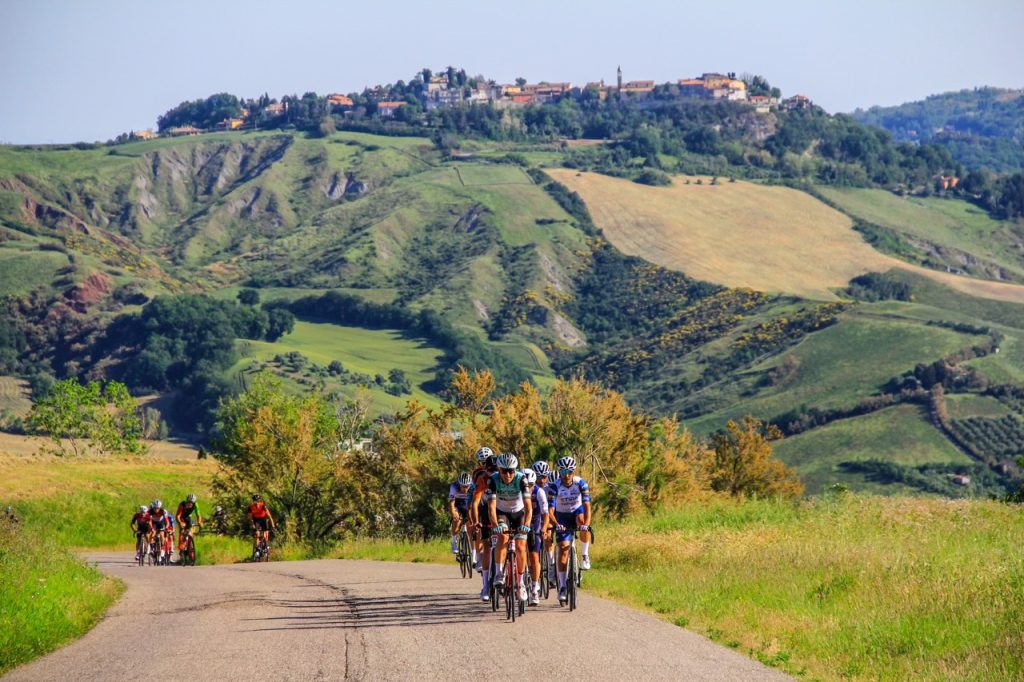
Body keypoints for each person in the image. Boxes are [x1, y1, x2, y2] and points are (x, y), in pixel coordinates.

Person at [487, 453, 532, 604]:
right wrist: (494, 526)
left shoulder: (521, 479)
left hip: (519, 513)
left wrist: (526, 525)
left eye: (511, 471)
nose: (508, 474)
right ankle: (499, 573)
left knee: (520, 546)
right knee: (503, 537)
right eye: (504, 471)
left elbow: (528, 507)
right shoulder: (493, 480)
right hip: (502, 513)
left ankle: (522, 582)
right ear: (499, 469)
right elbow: (491, 508)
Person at [552, 456, 592, 604]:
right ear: (559, 472)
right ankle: (562, 586)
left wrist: (586, 525)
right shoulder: (555, 486)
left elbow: (587, 507)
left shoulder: (581, 483)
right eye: (563, 471)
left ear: (573, 471)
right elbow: (550, 510)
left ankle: (585, 555)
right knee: (563, 548)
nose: (566, 475)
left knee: (582, 522)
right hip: (561, 516)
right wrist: (556, 523)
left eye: (569, 471)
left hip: (577, 511)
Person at [468, 447, 498, 601]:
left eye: (496, 470)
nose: (493, 472)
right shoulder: (480, 479)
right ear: (485, 469)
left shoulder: (505, 477)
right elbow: (475, 504)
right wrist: (475, 522)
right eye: (490, 470)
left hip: (501, 510)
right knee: (487, 546)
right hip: (485, 509)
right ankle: (486, 585)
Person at [523, 468, 548, 606]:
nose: (529, 488)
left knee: (534, 556)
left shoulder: (540, 492)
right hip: (520, 523)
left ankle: (534, 588)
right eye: (526, 486)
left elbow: (546, 514)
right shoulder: (516, 491)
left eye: (531, 485)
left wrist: (544, 529)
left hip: (535, 525)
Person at [533, 460, 558, 587]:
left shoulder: (551, 488)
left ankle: (551, 567)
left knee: (548, 538)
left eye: (544, 477)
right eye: (538, 477)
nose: (541, 480)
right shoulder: (532, 487)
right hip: (536, 516)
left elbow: (552, 509)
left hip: (549, 516)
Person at [448, 472, 472, 555]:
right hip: (457, 504)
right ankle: (454, 541)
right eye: (463, 486)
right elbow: (451, 503)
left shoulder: (473, 486)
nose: (465, 489)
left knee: (471, 522)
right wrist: (454, 513)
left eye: (467, 486)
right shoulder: (454, 486)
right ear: (459, 484)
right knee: (457, 520)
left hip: (467, 504)